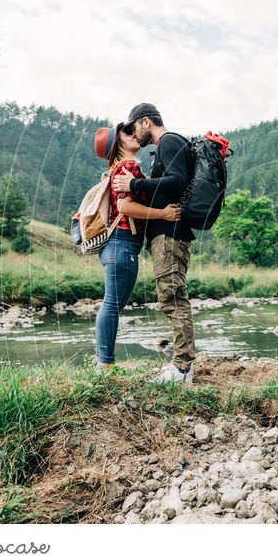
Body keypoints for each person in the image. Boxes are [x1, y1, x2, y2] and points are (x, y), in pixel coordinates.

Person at [112, 103, 196, 384]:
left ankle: (182, 368)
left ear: (145, 122)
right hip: (169, 233)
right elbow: (171, 183)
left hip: (170, 234)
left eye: (134, 127)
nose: (135, 134)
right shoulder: (169, 145)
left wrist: (133, 186)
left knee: (173, 298)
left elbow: (176, 181)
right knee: (171, 297)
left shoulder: (168, 142)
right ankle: (183, 368)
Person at [93, 122, 182, 370]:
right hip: (122, 243)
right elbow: (125, 207)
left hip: (115, 245)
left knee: (112, 303)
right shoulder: (128, 167)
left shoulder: (115, 170)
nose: (134, 134)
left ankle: (101, 360)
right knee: (112, 304)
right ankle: (105, 364)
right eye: (127, 133)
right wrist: (163, 214)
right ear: (117, 144)